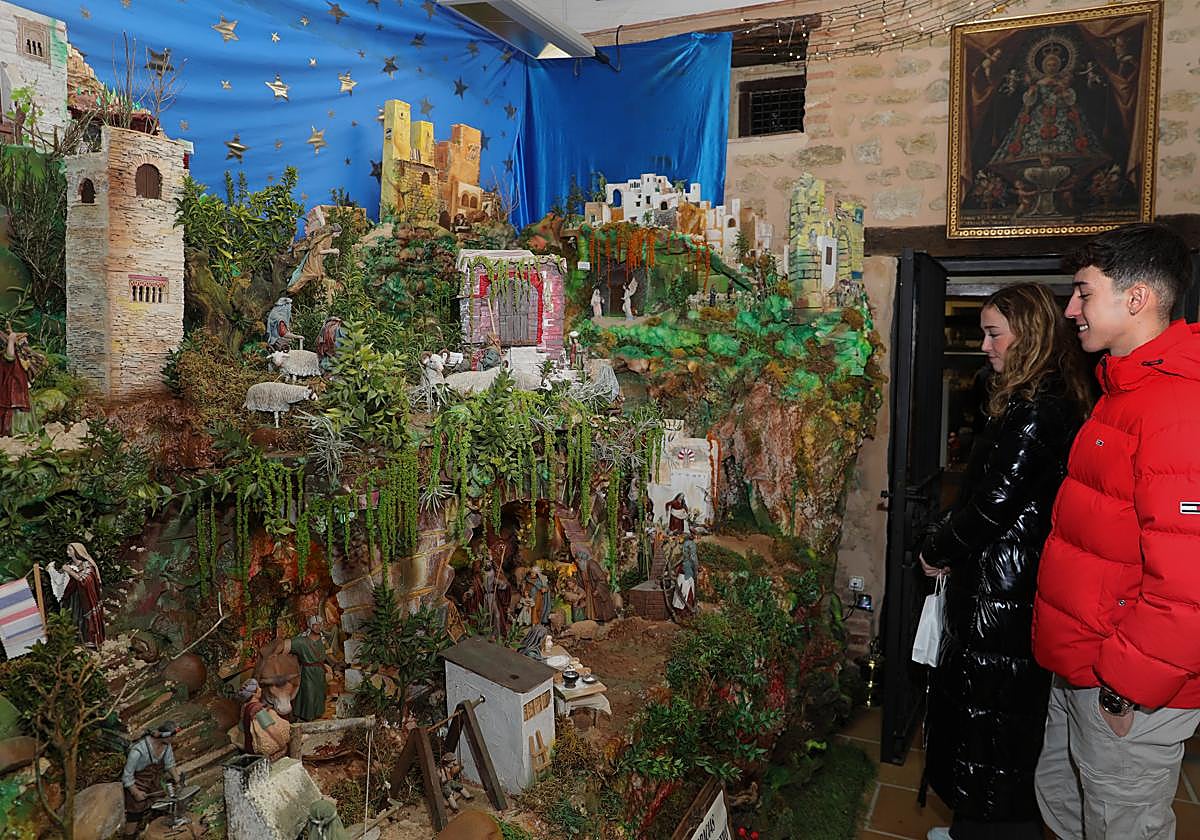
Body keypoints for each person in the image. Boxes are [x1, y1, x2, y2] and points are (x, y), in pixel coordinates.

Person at [1032, 223, 1200, 840]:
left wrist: (1122, 688)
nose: (1070, 310)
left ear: (1137, 299)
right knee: (1067, 810)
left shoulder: (1178, 409)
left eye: (1082, 293)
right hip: (1084, 668)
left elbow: (1188, 584)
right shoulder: (1124, 389)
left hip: (1124, 687)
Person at [919, 283, 1091, 840]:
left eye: (995, 334)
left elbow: (992, 506)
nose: (985, 346)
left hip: (1006, 591)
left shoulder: (1041, 406)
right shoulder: (1030, 397)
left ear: (1031, 334)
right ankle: (973, 828)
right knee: (984, 724)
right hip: (1000, 582)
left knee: (993, 731)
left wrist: (936, 548)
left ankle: (988, 831)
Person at [274, 616, 341, 722]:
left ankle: (317, 715)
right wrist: (277, 658)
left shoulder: (323, 641)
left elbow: (329, 655)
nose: (318, 627)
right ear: (310, 626)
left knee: (319, 693)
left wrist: (336, 664)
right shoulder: (302, 641)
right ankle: (307, 717)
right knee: (309, 693)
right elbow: (286, 645)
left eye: (319, 624)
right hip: (308, 672)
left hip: (319, 672)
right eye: (315, 625)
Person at [122, 721, 183, 836]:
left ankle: (152, 832)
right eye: (172, 736)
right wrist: (135, 792)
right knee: (135, 812)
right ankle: (129, 835)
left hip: (154, 783)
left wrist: (178, 780)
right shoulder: (138, 751)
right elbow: (127, 776)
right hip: (138, 783)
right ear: (163, 735)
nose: (174, 738)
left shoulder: (166, 746)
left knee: (161, 805)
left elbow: (169, 764)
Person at [49, 542, 105, 648]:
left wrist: (70, 571)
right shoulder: (71, 563)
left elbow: (86, 580)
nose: (67, 552)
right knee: (73, 617)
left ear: (77, 552)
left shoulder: (87, 565)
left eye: (70, 550)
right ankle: (74, 641)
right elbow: (62, 579)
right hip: (74, 597)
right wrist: (53, 571)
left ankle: (89, 642)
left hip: (85, 599)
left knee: (83, 619)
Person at [238, 678, 292, 760]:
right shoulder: (258, 710)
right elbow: (271, 730)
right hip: (258, 750)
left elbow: (241, 727)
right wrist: (283, 745)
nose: (260, 689)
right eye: (258, 688)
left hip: (248, 744)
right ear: (254, 693)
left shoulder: (245, 707)